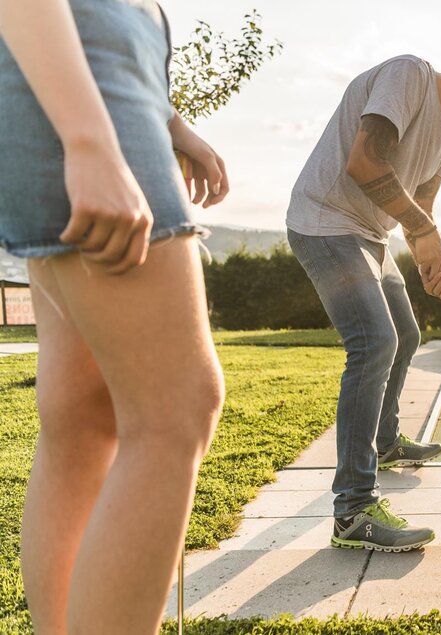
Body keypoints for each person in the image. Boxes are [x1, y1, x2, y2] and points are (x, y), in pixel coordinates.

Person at [0, 0, 229, 632]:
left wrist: (168, 115)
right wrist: (88, 138)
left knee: (82, 413)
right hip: (76, 63)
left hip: (99, 61)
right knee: (177, 405)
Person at [286, 52, 441, 552]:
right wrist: (425, 232)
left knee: (406, 335)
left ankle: (385, 441)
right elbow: (365, 162)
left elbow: (419, 207)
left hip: (370, 235)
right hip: (326, 222)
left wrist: (430, 257)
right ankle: (353, 510)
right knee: (375, 342)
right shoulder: (408, 77)